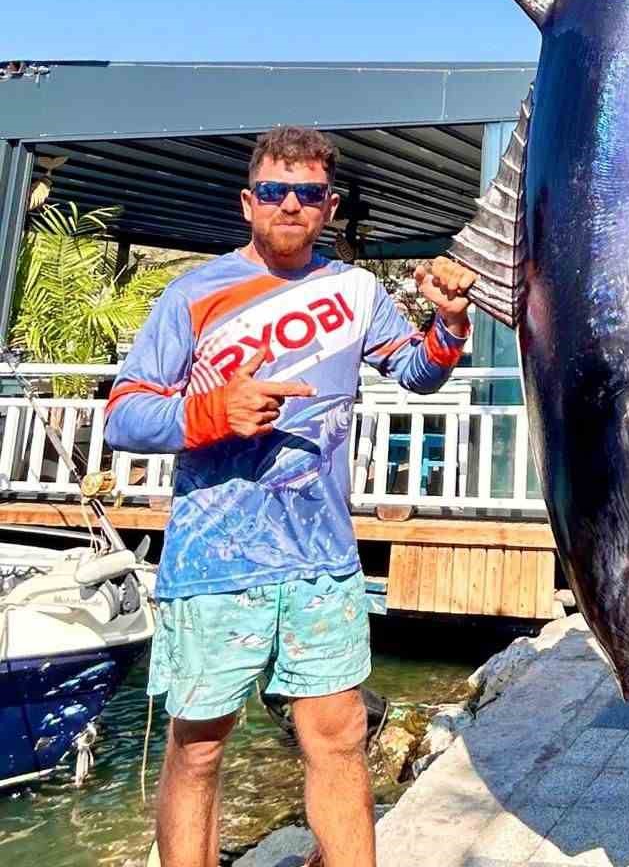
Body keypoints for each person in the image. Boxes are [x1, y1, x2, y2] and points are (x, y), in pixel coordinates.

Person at [105, 126, 477, 867]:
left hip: (322, 556)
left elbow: (413, 372)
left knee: (338, 734)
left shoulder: (354, 289)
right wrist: (212, 413)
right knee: (202, 745)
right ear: (249, 202)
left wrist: (449, 324)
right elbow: (123, 411)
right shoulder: (194, 294)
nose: (290, 206)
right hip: (216, 560)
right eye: (274, 191)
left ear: (328, 207)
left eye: (308, 194)